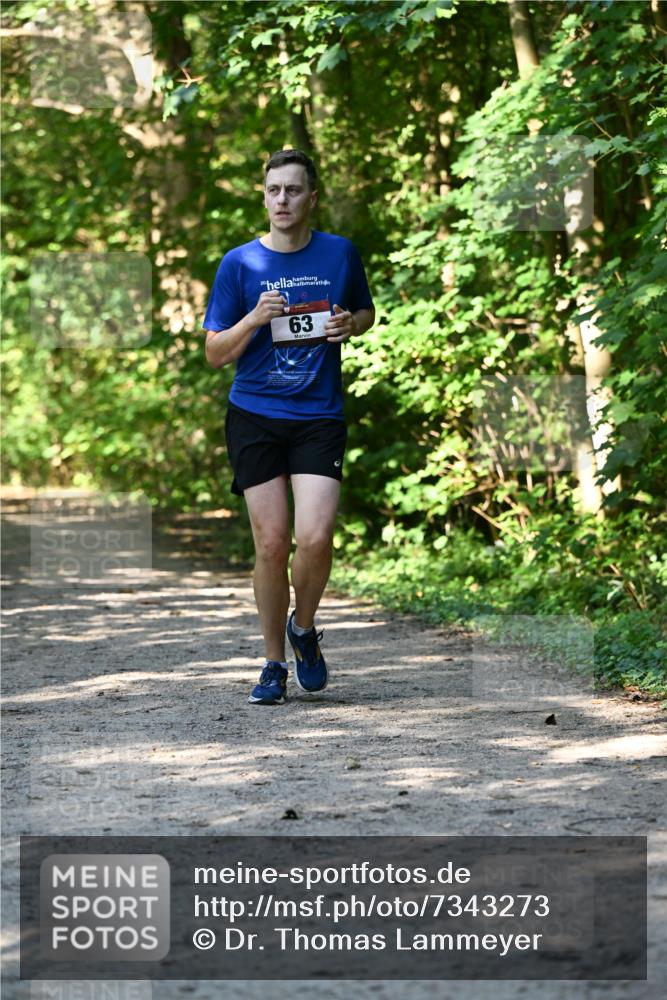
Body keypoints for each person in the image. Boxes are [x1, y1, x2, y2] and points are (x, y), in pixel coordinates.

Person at [202, 149, 375, 705]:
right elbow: (213, 353)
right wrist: (253, 318)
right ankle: (273, 662)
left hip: (318, 415)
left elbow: (366, 312)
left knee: (317, 538)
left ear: (312, 198)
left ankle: (304, 628)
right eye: (274, 190)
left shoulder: (340, 253)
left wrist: (353, 323)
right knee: (272, 544)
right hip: (254, 415)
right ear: (264, 196)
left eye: (293, 190)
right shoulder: (239, 264)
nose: (283, 200)